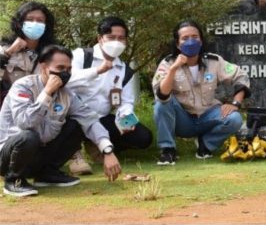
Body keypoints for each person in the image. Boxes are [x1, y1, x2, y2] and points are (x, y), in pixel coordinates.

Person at [0, 45, 122, 197]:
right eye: (60, 67)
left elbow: (90, 120)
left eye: (69, 69)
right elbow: (25, 122)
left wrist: (107, 151)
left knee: (77, 125)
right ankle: (13, 180)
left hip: (38, 154)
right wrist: (47, 93)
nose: (65, 73)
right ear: (43, 67)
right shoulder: (23, 87)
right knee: (28, 136)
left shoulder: (67, 95)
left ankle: (47, 174)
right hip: (9, 156)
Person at [152, 20, 251, 165]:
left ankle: (205, 145)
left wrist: (235, 103)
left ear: (201, 40)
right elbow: (162, 94)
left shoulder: (214, 61)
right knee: (161, 104)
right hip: (182, 120)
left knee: (235, 119)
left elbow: (241, 76)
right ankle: (168, 150)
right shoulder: (167, 63)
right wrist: (174, 69)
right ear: (178, 44)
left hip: (207, 116)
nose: (190, 41)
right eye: (185, 38)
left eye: (195, 37)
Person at [68, 17, 152, 173]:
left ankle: (98, 146)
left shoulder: (124, 69)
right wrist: (97, 71)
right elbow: (66, 81)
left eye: (121, 38)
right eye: (111, 37)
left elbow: (125, 101)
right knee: (69, 124)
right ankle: (74, 153)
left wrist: (125, 117)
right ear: (100, 39)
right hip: (75, 116)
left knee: (143, 137)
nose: (116, 42)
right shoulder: (82, 56)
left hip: (102, 118)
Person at [0, 2, 56, 104]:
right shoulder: (4, 49)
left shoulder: (52, 53)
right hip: (10, 109)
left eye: (40, 20)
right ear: (20, 23)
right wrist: (9, 52)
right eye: (30, 19)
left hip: (40, 109)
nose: (35, 23)